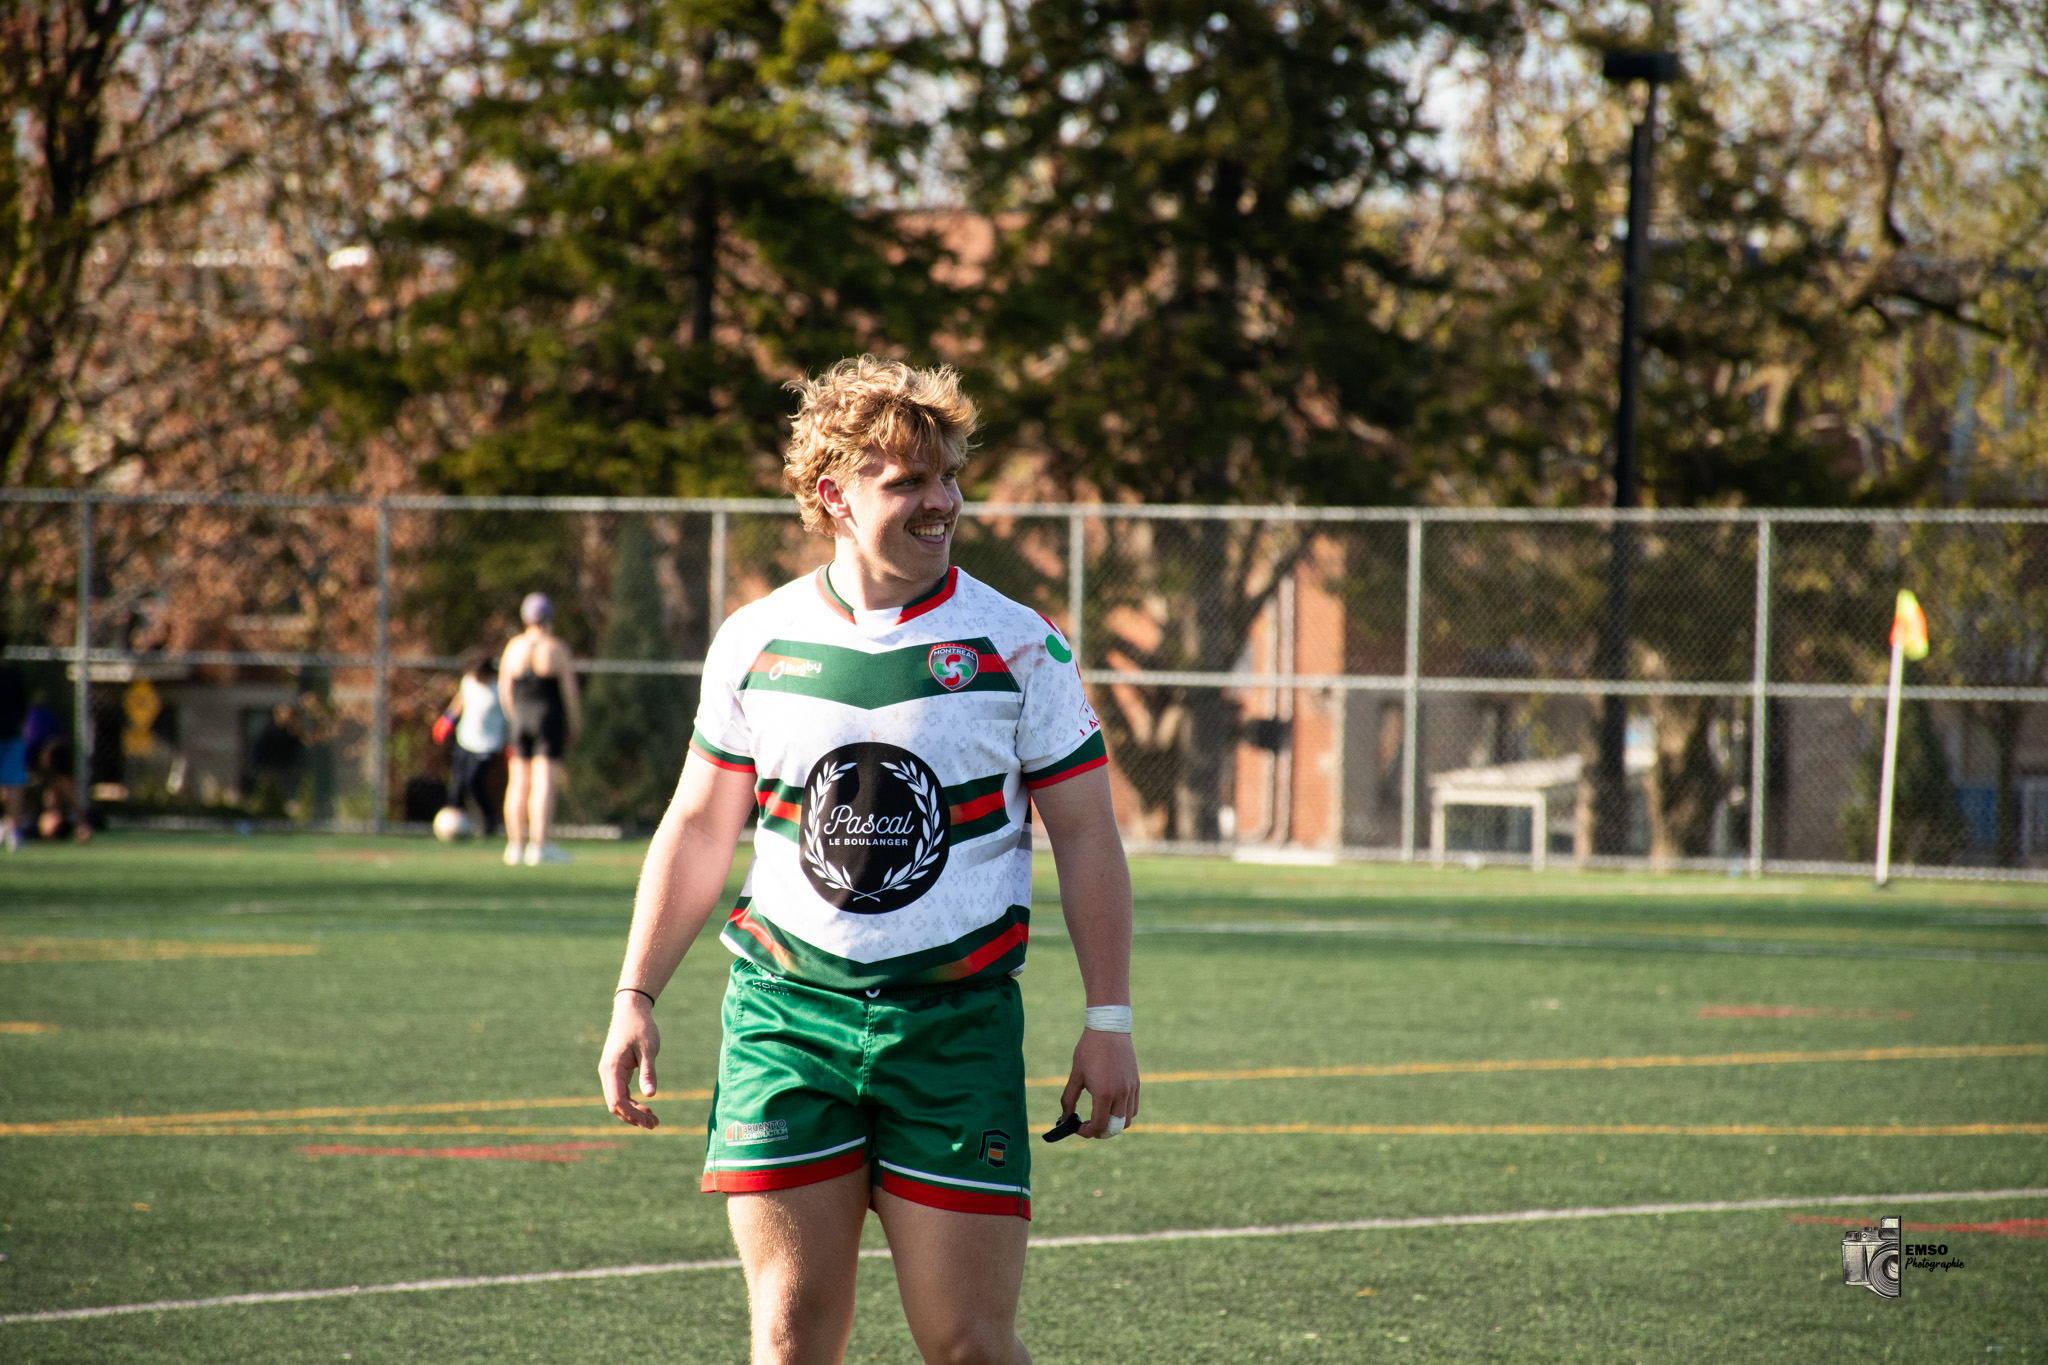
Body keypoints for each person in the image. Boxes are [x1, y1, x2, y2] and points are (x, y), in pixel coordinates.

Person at [598, 356, 1139, 1365]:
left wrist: (1106, 1019)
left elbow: (1087, 837)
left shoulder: (1018, 646)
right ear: (832, 497)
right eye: (908, 482)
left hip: (953, 1027)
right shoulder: (756, 640)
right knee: (791, 1337)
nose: (940, 502)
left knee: (969, 1343)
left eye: (947, 477)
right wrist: (636, 992)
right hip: (784, 1018)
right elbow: (699, 827)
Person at [499, 592, 580, 865]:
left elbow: (505, 690)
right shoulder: (556, 648)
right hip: (548, 717)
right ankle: (539, 846)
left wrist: (514, 717)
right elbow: (569, 692)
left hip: (520, 717)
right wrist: (575, 722)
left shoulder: (513, 648)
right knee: (544, 781)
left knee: (518, 782)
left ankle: (515, 846)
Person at [436, 650, 506, 836]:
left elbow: (509, 715)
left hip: (488, 745)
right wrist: (447, 719)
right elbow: (460, 700)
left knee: (473, 782)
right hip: (465, 739)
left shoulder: (499, 689)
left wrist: (511, 740)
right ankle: (453, 827)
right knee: (457, 782)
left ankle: (489, 819)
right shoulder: (468, 681)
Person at [0, 630, 26, 851]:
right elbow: (22, 708)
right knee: (14, 782)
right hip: (12, 733)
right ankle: (12, 830)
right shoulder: (12, 675)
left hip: (10, 734)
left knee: (12, 783)